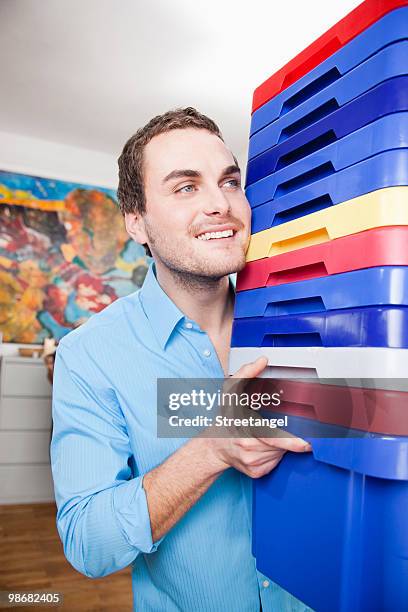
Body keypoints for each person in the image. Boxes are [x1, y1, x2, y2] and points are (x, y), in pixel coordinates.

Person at [51, 107, 313, 612]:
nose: (221, 204)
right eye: (186, 187)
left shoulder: (307, 323)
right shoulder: (90, 356)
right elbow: (87, 542)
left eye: (230, 182)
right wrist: (211, 449)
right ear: (137, 222)